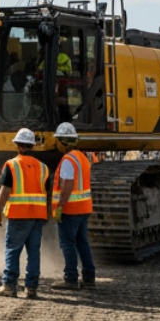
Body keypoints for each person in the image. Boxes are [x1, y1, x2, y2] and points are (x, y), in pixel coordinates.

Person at [0, 128, 50, 298]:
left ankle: (9, 286)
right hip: (38, 216)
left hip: (18, 215)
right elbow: (46, 191)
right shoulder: (43, 167)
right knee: (34, 252)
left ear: (17, 145)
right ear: (32, 146)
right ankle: (31, 288)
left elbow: (5, 190)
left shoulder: (12, 165)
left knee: (13, 250)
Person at [52, 122, 96, 290]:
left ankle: (70, 278)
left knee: (68, 244)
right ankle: (89, 278)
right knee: (82, 243)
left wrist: (60, 206)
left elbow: (68, 186)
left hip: (70, 210)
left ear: (62, 141)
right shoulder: (82, 157)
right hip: (83, 208)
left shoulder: (68, 160)